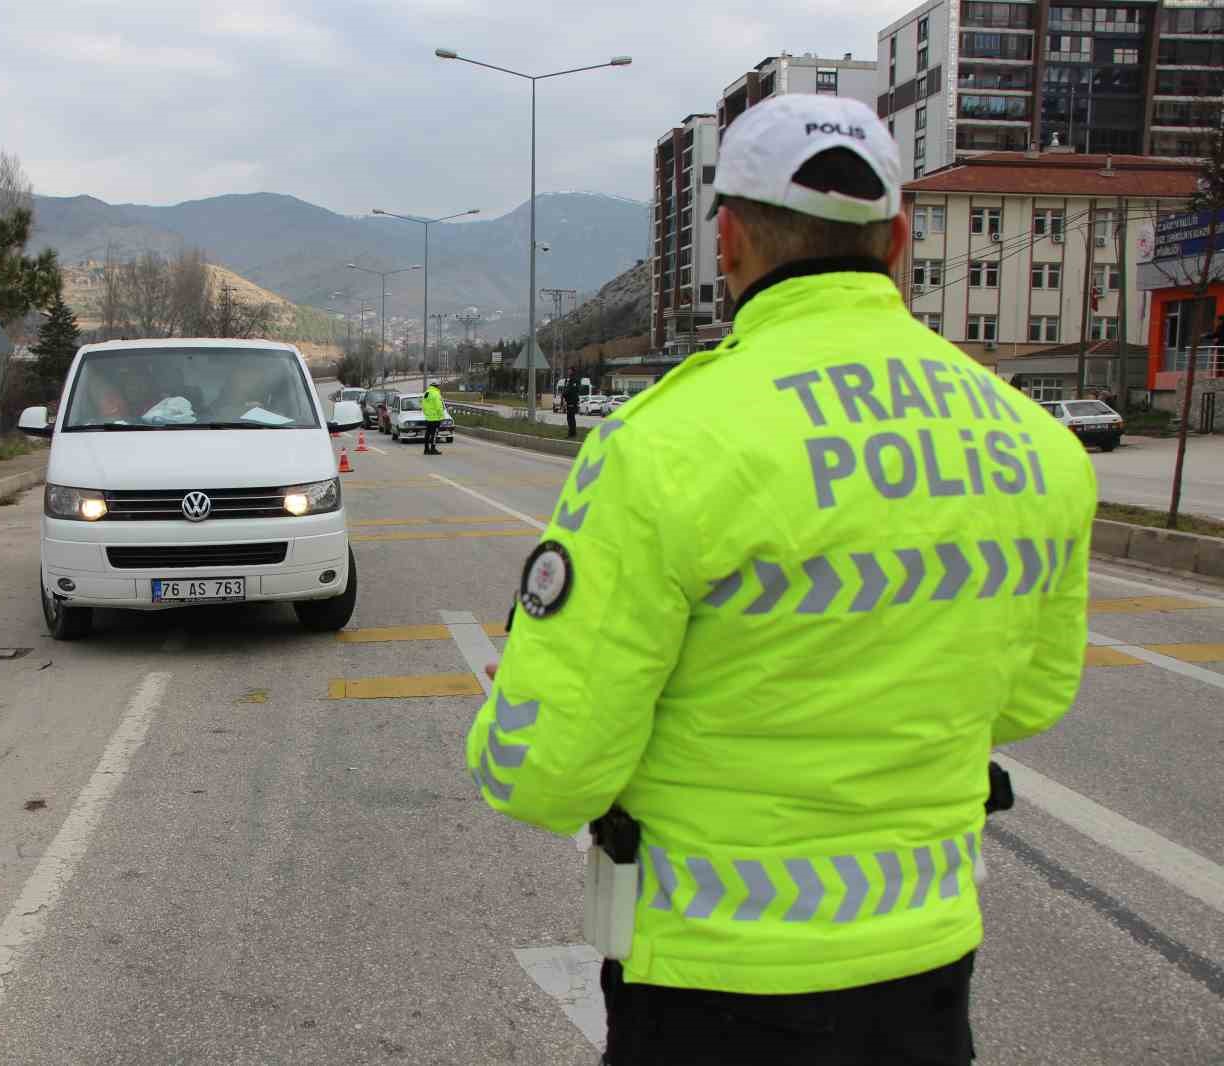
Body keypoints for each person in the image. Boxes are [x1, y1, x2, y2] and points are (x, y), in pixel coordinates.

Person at [465, 93, 1097, 1066]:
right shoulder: (1035, 446)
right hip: (926, 974)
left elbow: (542, 767)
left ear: (727, 241)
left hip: (712, 984)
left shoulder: (665, 445)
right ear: (895, 240)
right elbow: (1031, 695)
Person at [421, 381, 446, 455]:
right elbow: (439, 406)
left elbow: (423, 405)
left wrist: (426, 414)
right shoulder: (436, 394)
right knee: (434, 434)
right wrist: (442, 416)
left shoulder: (426, 393)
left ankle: (426, 449)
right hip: (435, 418)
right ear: (436, 386)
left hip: (428, 418)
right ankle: (433, 449)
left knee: (427, 433)